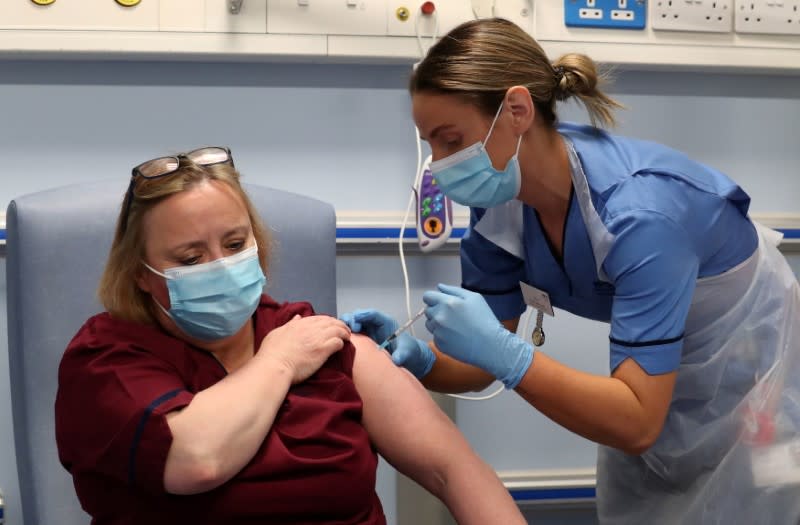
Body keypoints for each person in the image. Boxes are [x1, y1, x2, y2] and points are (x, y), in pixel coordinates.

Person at [342, 18, 800, 525]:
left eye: (451, 140)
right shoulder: (501, 202)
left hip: (750, 353)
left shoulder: (638, 217)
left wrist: (511, 357)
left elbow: (635, 422)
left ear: (516, 111)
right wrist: (418, 359)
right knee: (645, 498)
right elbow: (479, 362)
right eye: (430, 144)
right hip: (654, 371)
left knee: (745, 501)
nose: (440, 164)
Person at [54, 146, 527, 525]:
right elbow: (195, 459)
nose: (221, 264)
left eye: (236, 244)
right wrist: (279, 363)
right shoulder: (105, 361)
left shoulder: (317, 341)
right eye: (190, 258)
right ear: (141, 273)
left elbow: (455, 472)